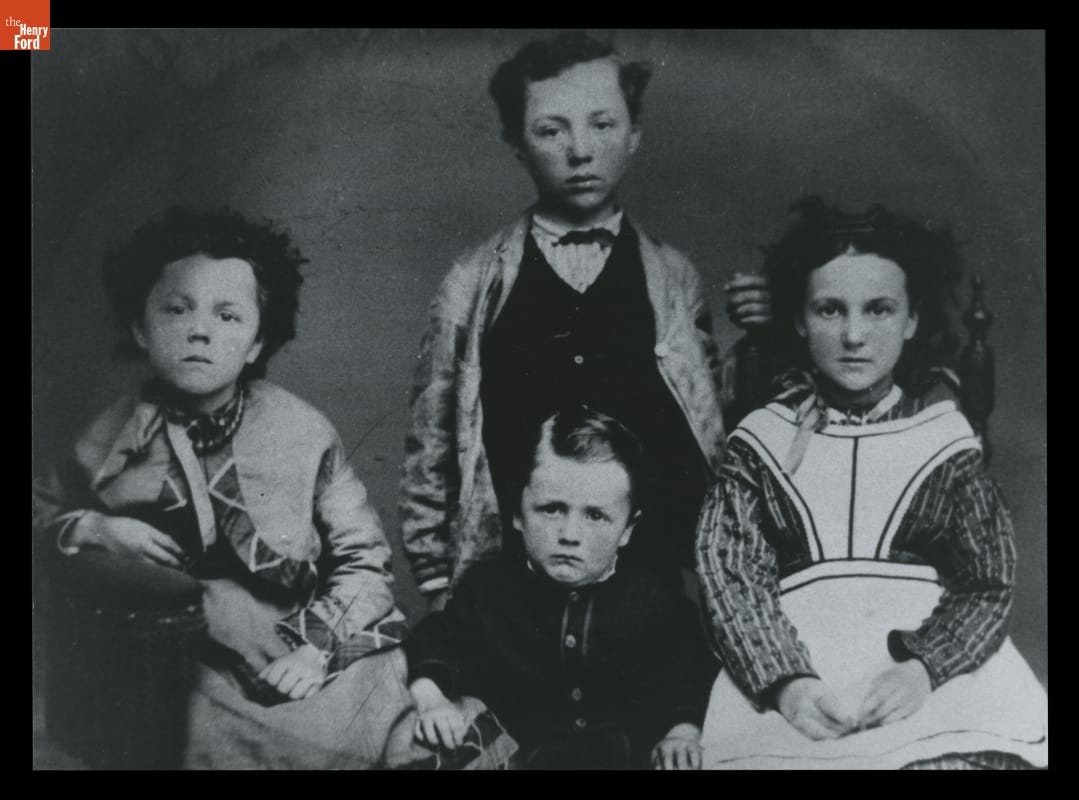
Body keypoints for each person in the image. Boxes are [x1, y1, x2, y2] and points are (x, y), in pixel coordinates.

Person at [32, 207, 412, 769]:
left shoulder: (302, 432)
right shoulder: (111, 435)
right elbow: (42, 509)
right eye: (176, 309)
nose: (200, 330)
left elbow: (365, 563)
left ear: (258, 342)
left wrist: (317, 650)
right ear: (140, 327)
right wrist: (96, 527)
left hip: (307, 647)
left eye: (229, 315)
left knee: (395, 722)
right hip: (189, 665)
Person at [694, 196, 1048, 769]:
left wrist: (925, 667)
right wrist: (787, 684)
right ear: (799, 321)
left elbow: (988, 581)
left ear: (911, 321)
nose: (854, 334)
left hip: (923, 670)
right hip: (797, 665)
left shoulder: (945, 443)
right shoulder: (761, 444)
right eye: (830, 310)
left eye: (878, 310)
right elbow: (731, 577)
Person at [400, 32, 740, 610]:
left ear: (634, 135)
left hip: (647, 583)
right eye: (551, 130)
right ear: (517, 144)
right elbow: (431, 437)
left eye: (602, 125)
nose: (579, 150)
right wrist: (436, 580)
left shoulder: (673, 276)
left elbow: (711, 426)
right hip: (508, 589)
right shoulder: (473, 279)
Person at [389, 406, 715, 770]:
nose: (569, 535)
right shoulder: (488, 591)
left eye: (595, 516)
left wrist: (681, 732)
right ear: (517, 513)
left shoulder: (653, 596)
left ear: (627, 529)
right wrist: (432, 699)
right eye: (551, 510)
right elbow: (435, 642)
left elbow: (688, 671)